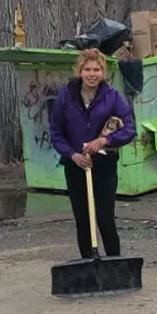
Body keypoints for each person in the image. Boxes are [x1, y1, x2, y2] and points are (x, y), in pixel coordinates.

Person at [49, 49, 136, 259]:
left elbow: (129, 129)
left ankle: (114, 262)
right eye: (87, 69)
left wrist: (104, 141)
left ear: (103, 73)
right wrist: (73, 155)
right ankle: (88, 263)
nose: (92, 74)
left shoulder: (112, 97)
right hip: (76, 167)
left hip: (104, 166)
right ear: (80, 71)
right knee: (83, 220)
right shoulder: (66, 97)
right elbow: (56, 133)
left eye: (96, 70)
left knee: (105, 218)